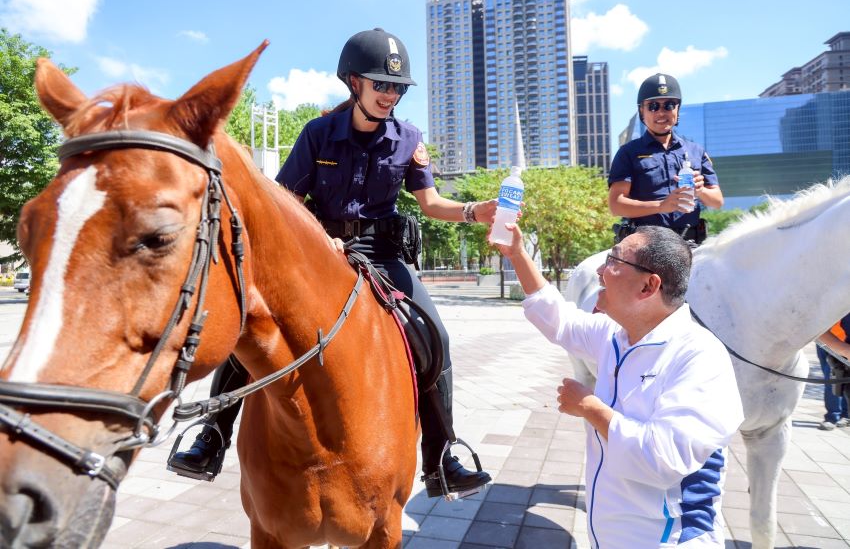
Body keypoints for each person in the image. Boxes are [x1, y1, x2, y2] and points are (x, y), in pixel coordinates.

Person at [170, 28, 494, 499]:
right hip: (317, 253)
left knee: (434, 336)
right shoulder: (317, 134)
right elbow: (285, 201)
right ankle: (212, 436)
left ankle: (442, 457)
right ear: (352, 82)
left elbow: (430, 202)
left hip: (383, 254)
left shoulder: (409, 138)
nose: (390, 95)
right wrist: (321, 240)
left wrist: (471, 210)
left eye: (398, 88)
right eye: (381, 84)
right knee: (251, 325)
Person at [494, 223, 744, 548]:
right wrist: (516, 252)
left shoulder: (698, 355)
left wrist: (590, 408)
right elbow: (559, 319)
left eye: (613, 261)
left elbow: (662, 458)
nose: (600, 270)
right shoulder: (616, 335)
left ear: (648, 286)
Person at [609, 73, 723, 244]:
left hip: (691, 244)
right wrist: (662, 206)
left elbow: (717, 201)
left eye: (669, 105)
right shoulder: (628, 153)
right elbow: (616, 205)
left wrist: (700, 190)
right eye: (653, 106)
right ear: (642, 110)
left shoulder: (696, 150)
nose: (661, 112)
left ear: (677, 109)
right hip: (646, 246)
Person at [815, 315, 850, 431]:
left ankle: (844, 415)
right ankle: (833, 416)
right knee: (832, 377)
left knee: (842, 378)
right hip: (826, 341)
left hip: (842, 339)